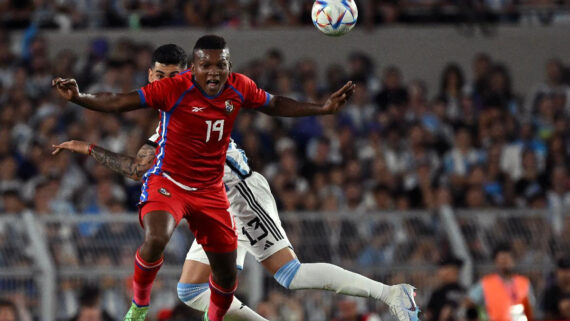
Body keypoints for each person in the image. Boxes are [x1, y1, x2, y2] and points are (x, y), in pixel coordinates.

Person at [53, 42, 420, 321]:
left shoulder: (203, 96)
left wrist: (88, 144)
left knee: (289, 274)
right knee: (189, 289)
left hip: (237, 193)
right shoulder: (167, 119)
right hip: (206, 202)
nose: (165, 83)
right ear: (151, 76)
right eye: (159, 76)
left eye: (172, 76)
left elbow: (138, 166)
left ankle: (392, 294)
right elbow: (139, 167)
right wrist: (87, 143)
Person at [467, 243, 534, 321]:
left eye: (507, 259)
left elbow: (530, 308)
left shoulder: (524, 283)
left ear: (514, 261)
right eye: (501, 260)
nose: (505, 262)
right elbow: (469, 303)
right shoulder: (486, 283)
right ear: (496, 262)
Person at [425, 256, 465, 321]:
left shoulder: (453, 291)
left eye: (442, 268)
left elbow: (446, 312)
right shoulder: (438, 292)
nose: (439, 272)